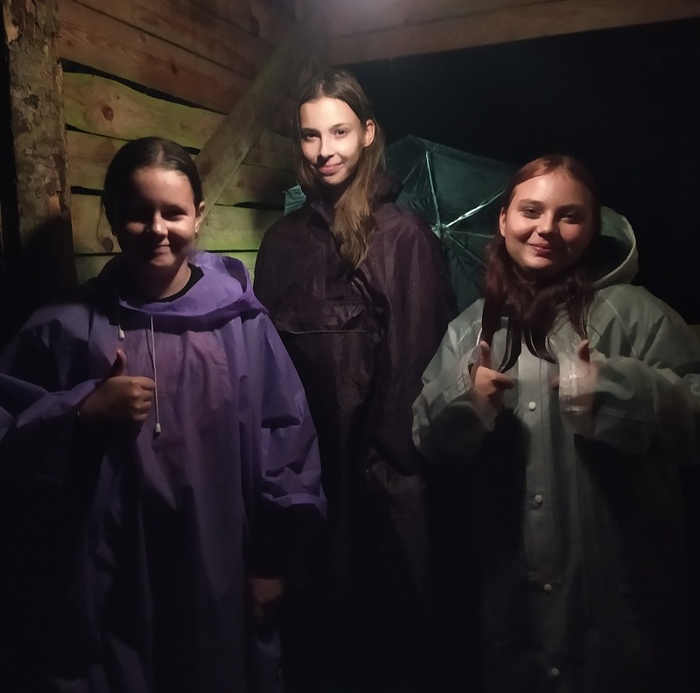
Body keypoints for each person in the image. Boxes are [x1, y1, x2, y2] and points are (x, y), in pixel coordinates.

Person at [0, 137, 325, 693]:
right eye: (138, 213)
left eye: (173, 212)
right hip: (110, 571)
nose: (157, 229)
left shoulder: (240, 325)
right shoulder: (67, 327)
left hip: (215, 564)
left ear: (198, 215)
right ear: (111, 216)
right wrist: (80, 410)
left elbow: (285, 437)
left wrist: (271, 559)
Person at [413, 153, 700, 692]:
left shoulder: (635, 314)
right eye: (531, 211)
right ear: (504, 220)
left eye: (569, 215)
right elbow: (426, 439)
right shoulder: (471, 329)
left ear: (592, 229)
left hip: (624, 614)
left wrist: (627, 392)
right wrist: (463, 399)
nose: (547, 228)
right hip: (512, 613)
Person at [253, 68, 456, 690]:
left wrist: (387, 488)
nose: (325, 151)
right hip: (302, 478)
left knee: (388, 642)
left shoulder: (403, 238)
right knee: (313, 647)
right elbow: (265, 368)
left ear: (368, 133)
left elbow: (414, 375)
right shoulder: (282, 242)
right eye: (311, 135)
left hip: (381, 484)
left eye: (339, 132)